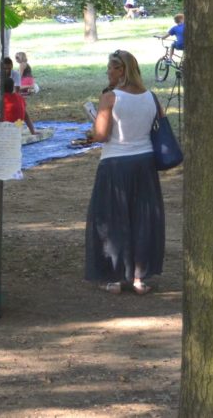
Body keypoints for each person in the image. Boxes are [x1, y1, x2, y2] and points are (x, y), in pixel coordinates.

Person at [85, 49, 164, 295]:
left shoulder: (110, 98)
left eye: (111, 67)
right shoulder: (152, 97)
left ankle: (115, 277)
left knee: (113, 219)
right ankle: (140, 277)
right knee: (142, 219)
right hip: (145, 162)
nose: (108, 72)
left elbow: (101, 135)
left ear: (122, 71)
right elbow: (158, 125)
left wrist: (91, 129)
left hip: (116, 163)